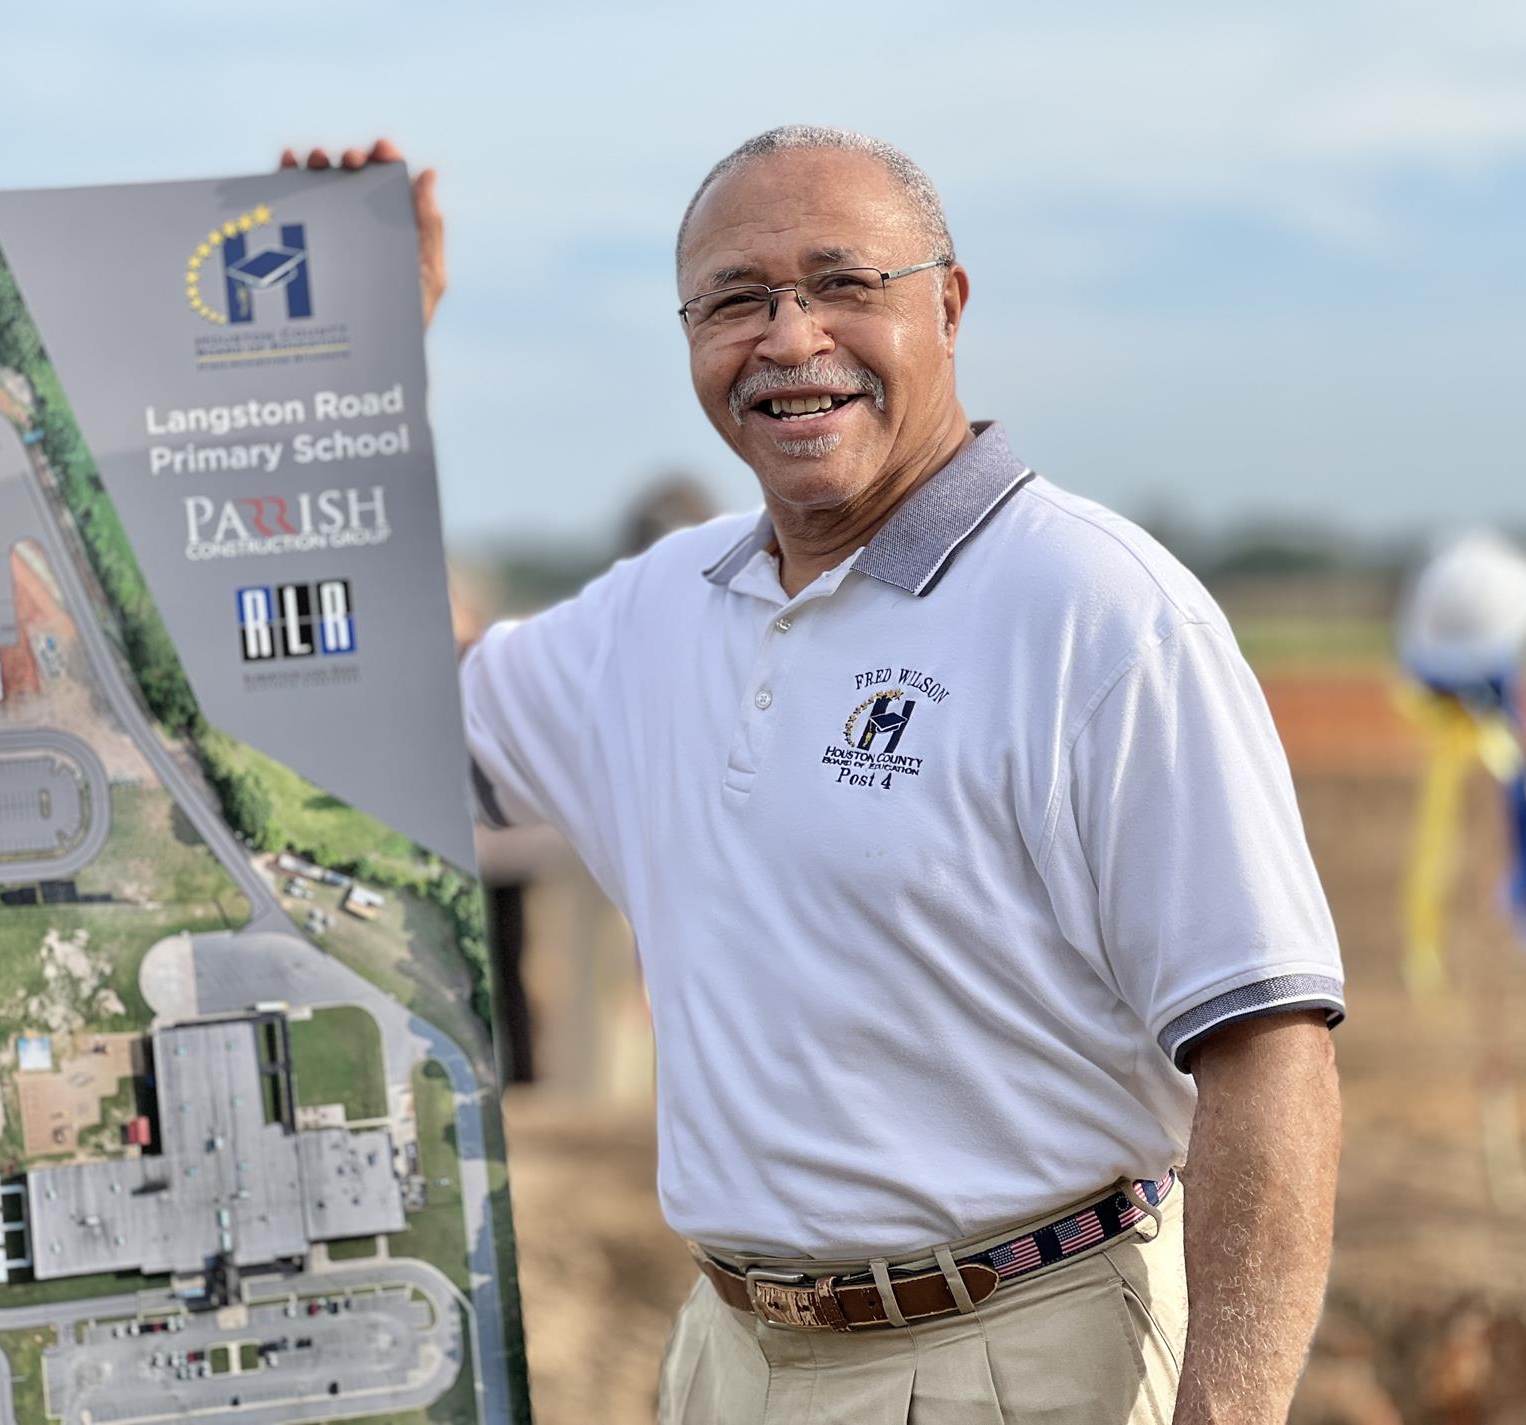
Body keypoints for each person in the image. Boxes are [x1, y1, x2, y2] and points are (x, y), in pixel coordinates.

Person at [288, 129, 1345, 1424]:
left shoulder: (1099, 615)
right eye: (737, 298)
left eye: (844, 283)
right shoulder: (655, 613)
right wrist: (351, 371)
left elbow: (1271, 1057)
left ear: (947, 303)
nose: (790, 338)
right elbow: (369, 736)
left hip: (1018, 1357)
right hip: (730, 1357)